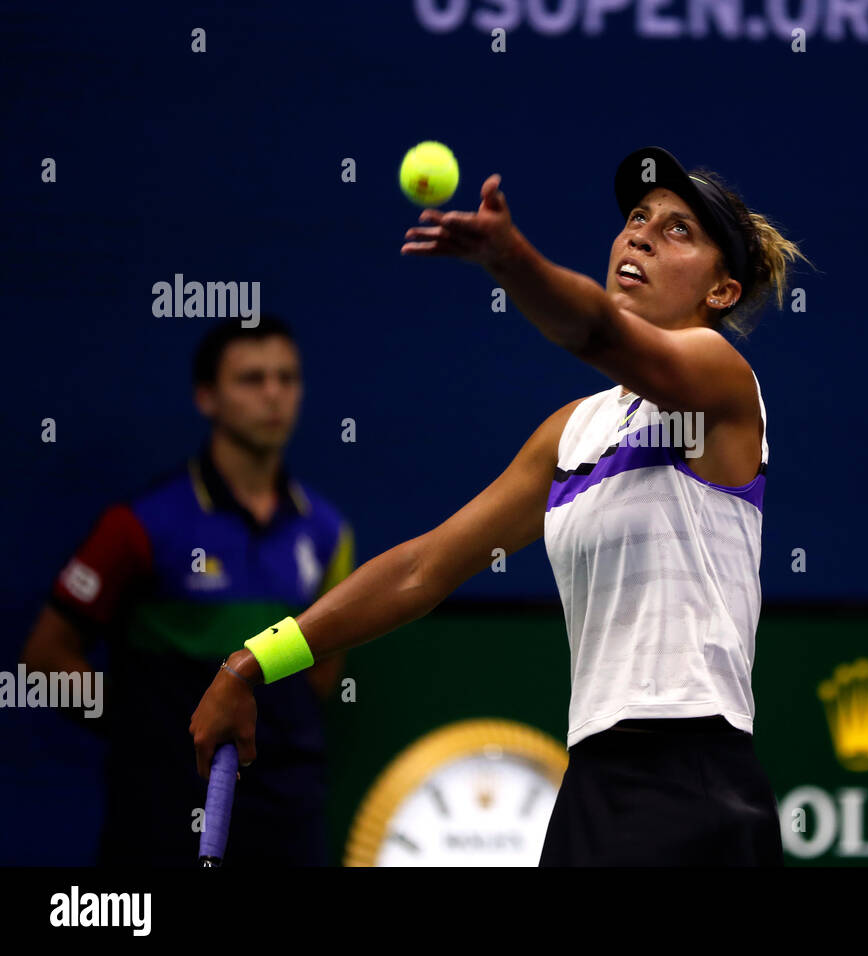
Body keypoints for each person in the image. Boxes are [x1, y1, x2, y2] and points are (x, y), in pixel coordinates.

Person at [189, 146, 813, 865]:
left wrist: (510, 258)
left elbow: (599, 334)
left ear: (722, 291)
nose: (638, 234)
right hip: (594, 785)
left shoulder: (722, 381)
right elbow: (423, 569)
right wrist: (254, 662)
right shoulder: (572, 434)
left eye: (678, 231)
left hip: (694, 781)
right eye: (637, 217)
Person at [21, 315, 353, 866]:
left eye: (287, 378)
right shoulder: (141, 525)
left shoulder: (326, 531)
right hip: (162, 810)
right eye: (251, 379)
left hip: (285, 813)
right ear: (207, 397)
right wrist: (147, 730)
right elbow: (45, 660)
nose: (273, 395)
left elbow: (323, 668)